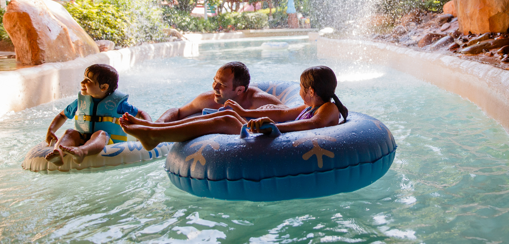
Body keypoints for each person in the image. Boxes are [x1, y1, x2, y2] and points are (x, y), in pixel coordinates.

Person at [119, 66, 349, 151]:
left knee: (227, 121)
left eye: (301, 87)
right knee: (229, 115)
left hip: (279, 139)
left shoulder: (328, 109)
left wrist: (272, 127)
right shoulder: (310, 105)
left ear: (310, 91)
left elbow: (311, 125)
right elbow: (280, 113)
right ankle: (153, 131)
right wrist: (243, 113)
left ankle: (153, 136)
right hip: (272, 131)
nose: (299, 91)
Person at [44, 64, 151, 165]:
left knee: (100, 134)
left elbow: (140, 113)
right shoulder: (81, 101)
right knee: (70, 132)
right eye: (84, 78)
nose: (82, 82)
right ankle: (58, 153)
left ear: (103, 87)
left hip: (108, 141)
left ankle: (82, 151)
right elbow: (63, 115)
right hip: (82, 137)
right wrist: (51, 130)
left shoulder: (118, 104)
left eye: (88, 80)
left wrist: (148, 129)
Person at [154, 61, 285, 123]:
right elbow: (178, 112)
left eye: (221, 84)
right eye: (214, 81)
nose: (214, 87)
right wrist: (160, 122)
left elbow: (287, 114)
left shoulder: (258, 100)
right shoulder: (209, 100)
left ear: (240, 90)